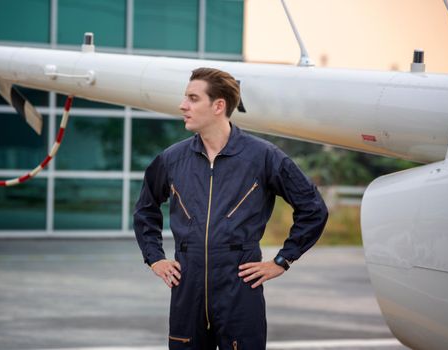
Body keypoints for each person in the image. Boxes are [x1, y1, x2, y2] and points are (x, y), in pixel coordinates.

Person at [134, 67, 328, 350]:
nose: (182, 105)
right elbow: (145, 210)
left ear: (218, 106)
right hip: (188, 289)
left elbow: (313, 209)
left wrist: (282, 260)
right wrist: (155, 258)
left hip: (240, 289)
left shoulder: (263, 157)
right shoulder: (172, 159)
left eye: (192, 98)